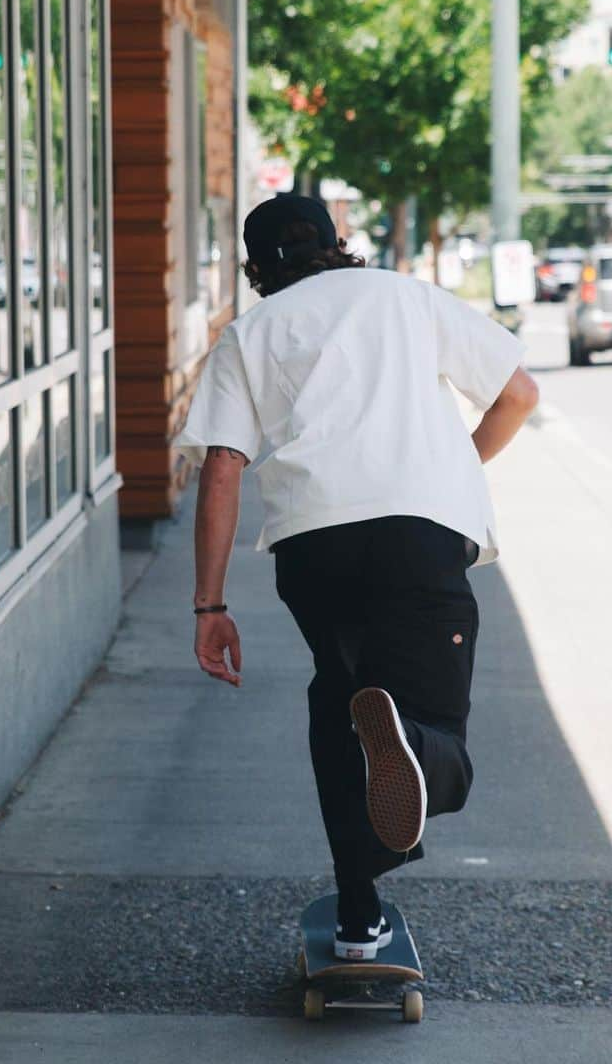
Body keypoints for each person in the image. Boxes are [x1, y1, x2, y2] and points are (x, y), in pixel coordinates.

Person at [176, 195, 538, 960]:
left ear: (257, 268)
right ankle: (407, 736)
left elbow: (221, 469)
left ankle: (357, 916)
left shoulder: (250, 333)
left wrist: (210, 604)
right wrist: (453, 473)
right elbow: (518, 395)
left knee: (339, 708)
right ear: (338, 245)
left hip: (316, 550)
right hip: (420, 543)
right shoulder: (407, 297)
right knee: (441, 744)